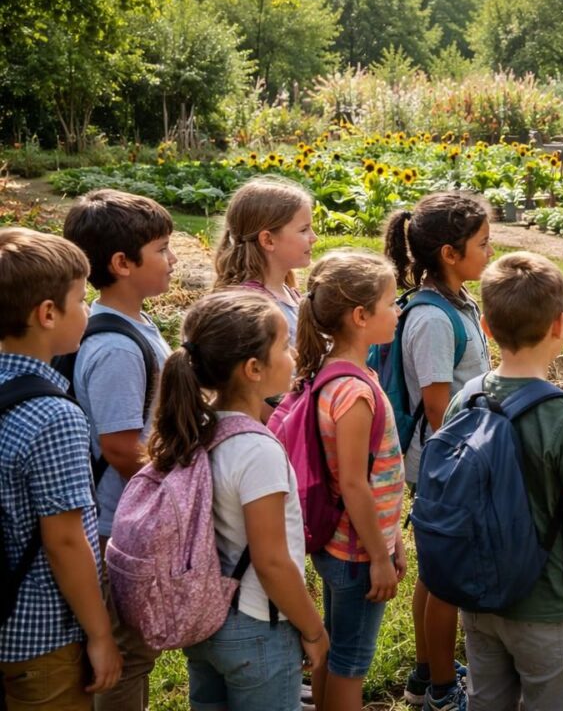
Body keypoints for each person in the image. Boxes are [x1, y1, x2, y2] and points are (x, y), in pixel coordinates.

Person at [148, 291, 328, 710]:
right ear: (253, 369)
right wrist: (314, 629)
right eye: (284, 345)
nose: (293, 352)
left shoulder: (197, 431)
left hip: (205, 621)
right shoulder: (256, 450)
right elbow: (271, 561)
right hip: (256, 628)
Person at [448, 252, 563, 711]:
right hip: (549, 607)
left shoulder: (468, 397)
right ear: (560, 325)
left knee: (487, 700)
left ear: (485, 326)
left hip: (479, 599)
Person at [62, 190, 177, 710]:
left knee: (138, 649)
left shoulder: (136, 322)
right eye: (162, 249)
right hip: (119, 520)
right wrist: (179, 485)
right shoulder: (114, 346)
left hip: (128, 512)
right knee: (128, 654)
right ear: (121, 264)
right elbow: (120, 448)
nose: (173, 259)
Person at [0, 228, 122, 710]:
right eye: (80, 298)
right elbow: (66, 540)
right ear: (47, 314)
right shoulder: (54, 417)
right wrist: (100, 635)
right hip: (40, 634)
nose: (88, 309)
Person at [383, 192, 493, 710]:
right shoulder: (430, 318)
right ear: (450, 254)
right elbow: (437, 409)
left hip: (456, 458)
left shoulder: (459, 302)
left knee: (435, 572)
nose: (490, 250)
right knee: (446, 579)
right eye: (482, 243)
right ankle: (444, 691)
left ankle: (427, 672)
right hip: (447, 463)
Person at [294, 252, 407, 711]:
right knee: (351, 664)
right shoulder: (356, 392)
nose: (398, 311)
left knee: (334, 652)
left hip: (339, 543)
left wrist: (392, 534)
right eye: (391, 303)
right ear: (361, 317)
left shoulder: (334, 374)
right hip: (357, 553)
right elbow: (356, 484)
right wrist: (379, 556)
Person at [214, 177, 318, 345]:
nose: (314, 238)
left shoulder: (289, 294)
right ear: (268, 240)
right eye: (304, 229)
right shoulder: (252, 311)